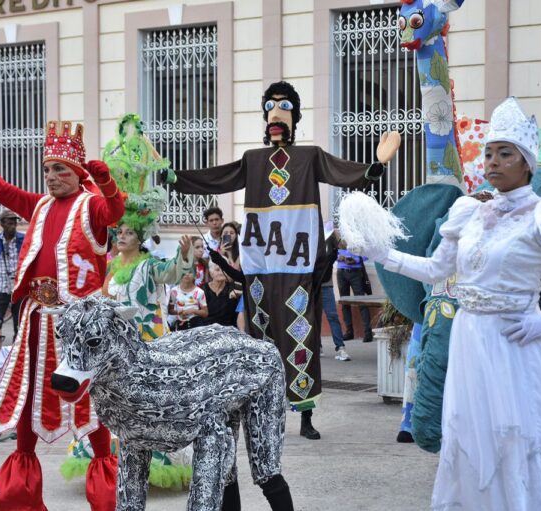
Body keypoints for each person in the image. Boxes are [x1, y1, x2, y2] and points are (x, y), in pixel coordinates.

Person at [350, 97, 541, 509]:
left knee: (517, 436)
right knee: (472, 434)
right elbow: (437, 270)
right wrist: (382, 254)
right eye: (489, 153)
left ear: (527, 163)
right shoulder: (468, 213)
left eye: (505, 153)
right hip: (470, 340)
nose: (493, 161)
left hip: (517, 343)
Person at [162, 81, 401, 439]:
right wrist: (176, 179)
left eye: (284, 106)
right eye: (270, 107)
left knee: (301, 339)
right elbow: (219, 177)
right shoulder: (253, 161)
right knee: (262, 342)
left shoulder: (309, 156)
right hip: (260, 270)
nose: (275, 114)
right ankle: (263, 413)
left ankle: (305, 416)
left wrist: (374, 167)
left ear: (295, 116)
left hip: (297, 267)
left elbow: (340, 170)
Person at [0, 120, 123, 511]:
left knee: (90, 407)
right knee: (27, 398)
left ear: (77, 172)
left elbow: (114, 211)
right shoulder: (39, 206)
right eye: (47, 169)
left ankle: (109, 499)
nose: (51, 176)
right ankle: (20, 499)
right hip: (37, 322)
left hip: (78, 330)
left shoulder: (90, 205)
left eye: (59, 169)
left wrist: (106, 183)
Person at [104, 226, 193, 340]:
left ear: (139, 240)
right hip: (119, 337)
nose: (122, 236)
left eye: (129, 233)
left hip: (147, 338)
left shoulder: (148, 266)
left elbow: (169, 271)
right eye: (119, 232)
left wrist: (183, 255)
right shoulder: (110, 267)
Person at [319, 225, 349, 361]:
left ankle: (340, 347)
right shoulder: (309, 236)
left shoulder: (330, 238)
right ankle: (317, 346)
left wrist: (337, 234)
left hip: (326, 284)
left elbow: (343, 248)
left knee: (332, 316)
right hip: (311, 285)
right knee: (313, 318)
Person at [336, 240, 373, 343]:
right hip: (341, 273)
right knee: (345, 303)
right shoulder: (337, 235)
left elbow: (368, 253)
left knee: (362, 302)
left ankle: (368, 333)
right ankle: (349, 332)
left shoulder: (359, 236)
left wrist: (356, 259)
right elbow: (331, 252)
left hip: (356, 273)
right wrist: (338, 257)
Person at [203, 262, 240, 327]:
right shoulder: (203, 290)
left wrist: (240, 294)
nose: (221, 272)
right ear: (211, 273)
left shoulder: (234, 287)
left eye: (223, 269)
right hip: (207, 328)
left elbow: (248, 295)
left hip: (229, 328)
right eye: (217, 270)